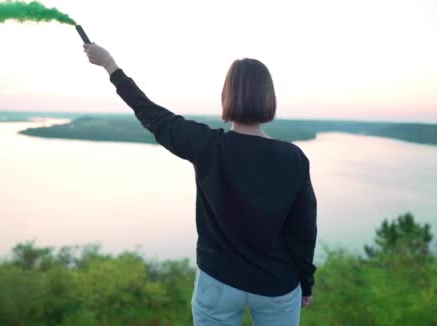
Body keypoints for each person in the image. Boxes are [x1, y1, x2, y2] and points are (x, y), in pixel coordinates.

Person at [84, 43, 317, 326]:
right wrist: (306, 282)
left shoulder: (208, 146)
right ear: (269, 98)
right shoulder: (292, 158)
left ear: (227, 96)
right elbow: (303, 231)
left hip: (218, 281)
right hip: (276, 285)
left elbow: (152, 115)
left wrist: (110, 65)